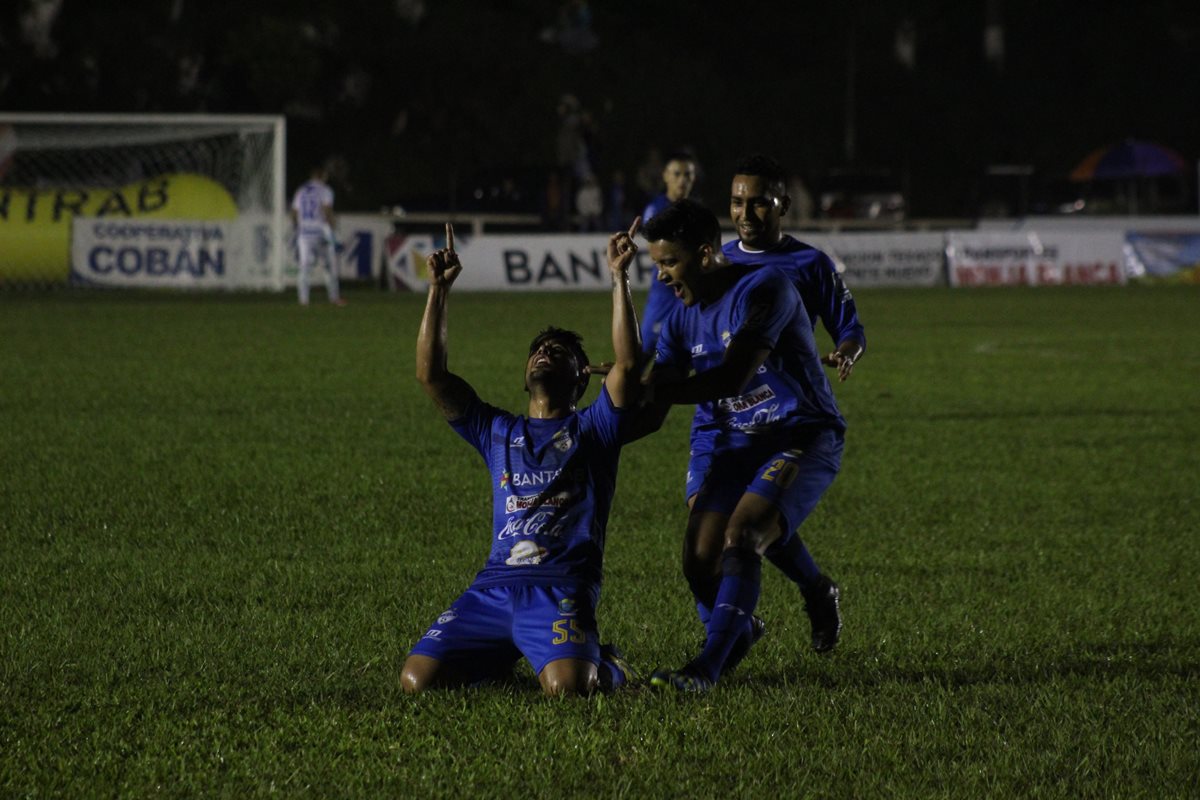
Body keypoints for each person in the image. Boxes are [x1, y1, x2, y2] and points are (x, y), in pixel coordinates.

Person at [401, 220, 644, 696]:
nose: (545, 353)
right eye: (538, 350)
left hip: (559, 588)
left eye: (561, 352)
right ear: (524, 374)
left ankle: (611, 666)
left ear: (582, 379)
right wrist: (438, 291)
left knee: (571, 689)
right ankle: (503, 653)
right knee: (416, 682)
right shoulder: (495, 429)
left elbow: (629, 364)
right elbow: (431, 375)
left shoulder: (595, 428)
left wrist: (619, 277)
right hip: (492, 588)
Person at [638, 200, 848, 692]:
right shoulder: (678, 319)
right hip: (730, 437)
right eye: (656, 265)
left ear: (706, 254)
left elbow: (734, 376)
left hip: (799, 430)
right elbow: (655, 405)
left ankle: (706, 669)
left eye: (670, 263)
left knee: (746, 532)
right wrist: (604, 419)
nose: (664, 276)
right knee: (699, 556)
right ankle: (761, 617)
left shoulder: (765, 289)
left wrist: (653, 387)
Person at [638, 151, 698, 353]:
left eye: (687, 175)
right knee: (643, 353)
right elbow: (656, 251)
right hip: (665, 292)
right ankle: (618, 385)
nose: (682, 180)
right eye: (677, 174)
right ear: (665, 176)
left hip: (693, 291)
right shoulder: (656, 209)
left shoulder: (695, 210)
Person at [290, 163, 345, 306]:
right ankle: (334, 298)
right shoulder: (325, 190)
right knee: (330, 266)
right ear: (322, 177)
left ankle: (303, 300)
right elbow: (326, 210)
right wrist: (333, 228)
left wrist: (298, 228)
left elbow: (294, 213)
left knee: (304, 267)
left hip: (304, 234)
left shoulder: (301, 190)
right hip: (320, 232)